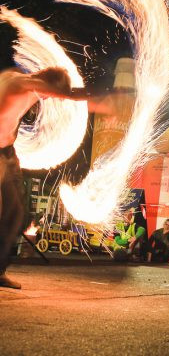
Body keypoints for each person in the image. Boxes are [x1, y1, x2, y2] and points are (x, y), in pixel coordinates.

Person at [0, 66, 111, 289]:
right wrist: (102, 98)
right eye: (50, 93)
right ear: (46, 82)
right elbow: (58, 92)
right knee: (7, 210)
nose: (48, 98)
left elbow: (58, 92)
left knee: (16, 212)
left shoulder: (23, 82)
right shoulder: (22, 83)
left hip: (9, 152)